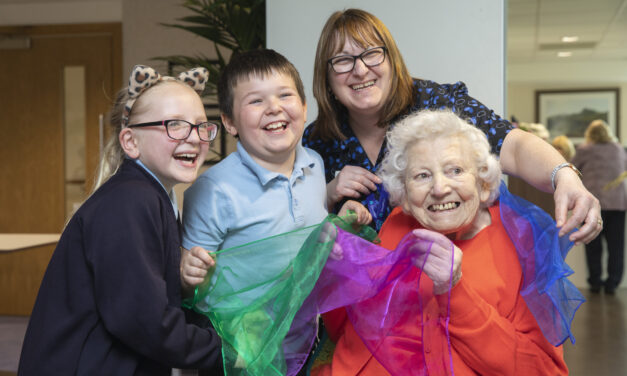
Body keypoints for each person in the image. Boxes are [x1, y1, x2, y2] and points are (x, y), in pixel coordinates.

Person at [302, 8, 601, 244]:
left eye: (371, 53)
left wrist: (564, 176)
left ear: (391, 60)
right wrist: (324, 195)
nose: (360, 69)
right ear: (326, 78)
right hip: (358, 303)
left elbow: (513, 145)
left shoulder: (434, 101)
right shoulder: (315, 142)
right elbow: (296, 232)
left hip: (452, 290)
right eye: (342, 60)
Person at [313, 109, 577, 375]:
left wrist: (455, 291)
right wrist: (341, 267)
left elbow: (542, 370)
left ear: (484, 184)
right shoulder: (395, 224)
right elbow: (347, 332)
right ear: (403, 194)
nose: (439, 189)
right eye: (422, 176)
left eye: (455, 170)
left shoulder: (520, 244)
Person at [18, 65, 224, 375]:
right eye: (175, 125)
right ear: (130, 142)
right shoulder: (130, 201)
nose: (194, 138)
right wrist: (224, 348)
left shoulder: (153, 196)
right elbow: (142, 320)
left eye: (200, 126)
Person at [180, 49, 370, 299]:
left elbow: (311, 234)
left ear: (303, 108)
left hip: (306, 331)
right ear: (229, 122)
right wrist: (187, 273)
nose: (274, 108)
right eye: (256, 101)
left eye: (285, 95)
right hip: (241, 335)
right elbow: (189, 281)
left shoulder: (314, 163)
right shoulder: (213, 189)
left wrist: (342, 221)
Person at [571, 119, 627, 294]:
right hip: (617, 204)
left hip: (592, 203)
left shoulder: (584, 150)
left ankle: (595, 282)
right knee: (616, 246)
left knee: (592, 243)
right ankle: (612, 283)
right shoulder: (619, 148)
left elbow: (571, 169)